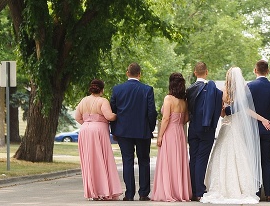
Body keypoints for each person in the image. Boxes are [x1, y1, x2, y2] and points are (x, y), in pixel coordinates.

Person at [201, 66, 270, 204]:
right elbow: (247, 110)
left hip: (227, 126)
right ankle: (241, 188)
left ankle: (221, 187)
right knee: (240, 156)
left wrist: (224, 110)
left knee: (223, 155)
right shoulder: (243, 91)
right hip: (238, 127)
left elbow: (222, 114)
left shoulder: (224, 92)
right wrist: (263, 119)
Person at [110, 63, 158, 201]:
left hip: (123, 131)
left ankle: (129, 193)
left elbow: (113, 111)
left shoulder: (117, 89)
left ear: (127, 73)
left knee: (127, 160)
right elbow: (151, 112)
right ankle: (143, 193)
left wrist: (115, 130)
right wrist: (150, 127)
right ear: (139, 74)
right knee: (144, 160)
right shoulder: (147, 90)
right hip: (142, 131)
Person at [74, 79, 122, 201]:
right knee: (101, 159)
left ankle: (92, 191)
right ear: (102, 89)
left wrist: (87, 123)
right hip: (98, 131)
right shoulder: (102, 101)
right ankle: (104, 190)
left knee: (89, 160)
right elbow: (109, 116)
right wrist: (118, 115)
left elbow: (77, 117)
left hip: (84, 130)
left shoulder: (84, 100)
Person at [187, 62, 224, 201]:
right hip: (207, 129)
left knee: (194, 159)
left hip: (193, 128)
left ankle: (191, 189)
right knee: (202, 159)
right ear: (207, 72)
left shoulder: (189, 90)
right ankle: (199, 191)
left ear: (195, 73)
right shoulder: (214, 91)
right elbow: (217, 111)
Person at [152, 73, 192, 202]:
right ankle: (180, 191)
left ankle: (169, 191)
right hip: (180, 132)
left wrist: (160, 136)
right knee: (178, 161)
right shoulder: (184, 101)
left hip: (169, 132)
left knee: (168, 161)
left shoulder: (168, 98)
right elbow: (186, 119)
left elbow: (165, 118)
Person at [248, 59, 270, 201]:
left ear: (255, 70)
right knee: (267, 161)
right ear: (267, 71)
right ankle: (269, 193)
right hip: (268, 129)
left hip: (252, 130)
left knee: (253, 161)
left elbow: (245, 109)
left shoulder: (249, 86)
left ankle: (255, 192)